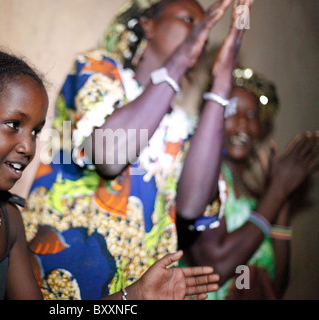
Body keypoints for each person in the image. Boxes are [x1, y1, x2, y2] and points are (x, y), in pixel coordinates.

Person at [0, 46, 220, 300]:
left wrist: (133, 297)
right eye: (13, 125)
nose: (27, 146)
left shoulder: (6, 222)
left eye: (35, 131)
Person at [22, 0, 250, 299]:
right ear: (148, 24)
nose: (200, 32)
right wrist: (179, 61)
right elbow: (109, 157)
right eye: (189, 20)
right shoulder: (98, 70)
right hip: (56, 284)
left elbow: (192, 206)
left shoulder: (185, 126)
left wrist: (221, 86)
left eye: (205, 30)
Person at [178, 66, 319, 299]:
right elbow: (215, 268)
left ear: (261, 131)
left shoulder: (260, 198)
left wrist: (280, 198)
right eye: (232, 110)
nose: (242, 123)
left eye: (252, 115)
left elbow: (277, 287)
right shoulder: (201, 177)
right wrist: (278, 190)